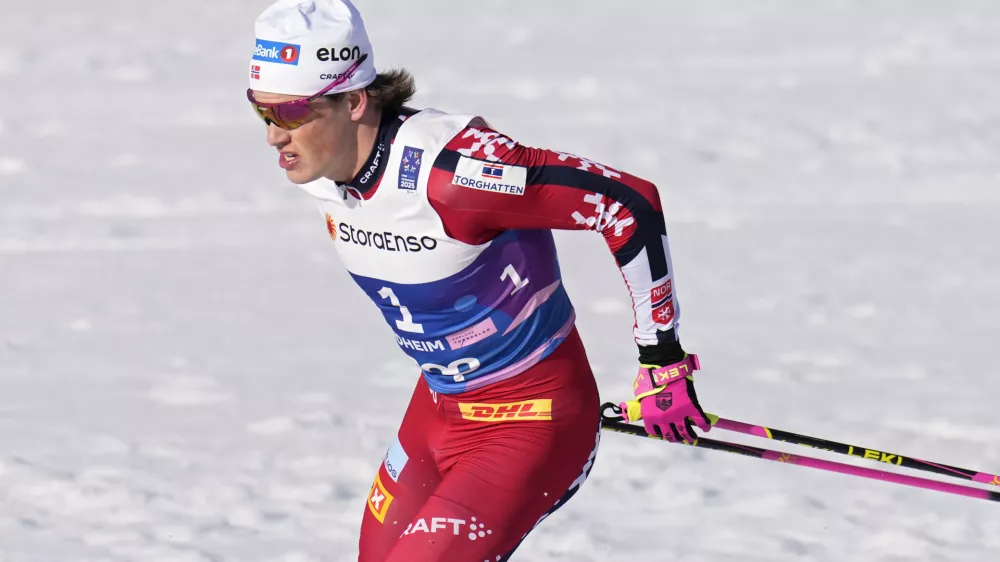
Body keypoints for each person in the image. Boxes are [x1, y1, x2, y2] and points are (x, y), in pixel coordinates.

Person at [246, 1, 712, 560]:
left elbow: (627, 203)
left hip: (532, 422)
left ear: (353, 101)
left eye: (294, 113)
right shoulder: (321, 172)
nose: (275, 137)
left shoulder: (455, 175)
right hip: (438, 412)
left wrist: (661, 358)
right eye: (263, 113)